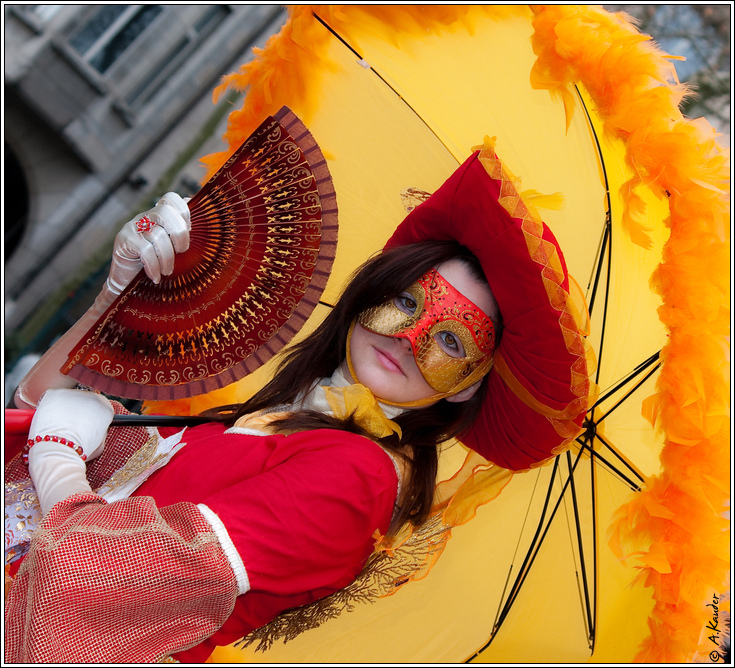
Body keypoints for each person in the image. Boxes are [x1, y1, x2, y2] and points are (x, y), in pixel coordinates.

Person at [4, 138, 596, 663]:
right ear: (374, 291)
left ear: (468, 383)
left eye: (450, 339)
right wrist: (119, 289)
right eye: (410, 303)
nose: (407, 338)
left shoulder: (357, 479)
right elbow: (33, 413)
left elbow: (89, 578)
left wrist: (57, 457)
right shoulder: (267, 422)